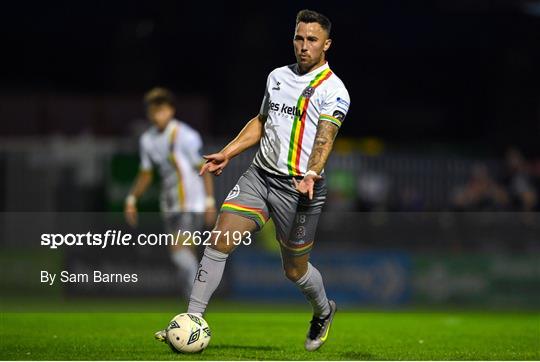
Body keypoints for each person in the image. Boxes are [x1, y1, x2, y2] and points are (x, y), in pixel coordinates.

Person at [156, 9, 350, 351]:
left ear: (327, 45)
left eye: (312, 40)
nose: (304, 46)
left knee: (294, 270)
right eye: (299, 38)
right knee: (218, 241)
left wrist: (312, 173)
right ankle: (192, 319)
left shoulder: (333, 90)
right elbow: (262, 121)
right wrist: (228, 152)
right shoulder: (276, 76)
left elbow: (325, 136)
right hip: (260, 177)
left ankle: (323, 310)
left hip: (300, 188)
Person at [125, 87, 216, 298]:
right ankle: (193, 306)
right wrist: (131, 200)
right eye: (154, 111)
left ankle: (199, 294)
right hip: (169, 203)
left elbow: (202, 169)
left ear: (171, 111)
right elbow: (146, 174)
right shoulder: (147, 140)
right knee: (185, 254)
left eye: (162, 110)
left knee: (178, 252)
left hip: (191, 203)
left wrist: (210, 202)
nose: (158, 116)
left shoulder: (185, 135)